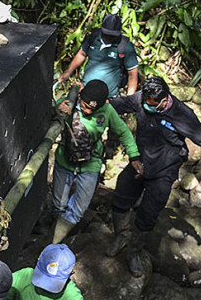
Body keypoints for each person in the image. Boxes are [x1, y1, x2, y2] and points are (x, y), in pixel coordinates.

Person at [107, 76, 201, 277]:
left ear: (164, 100)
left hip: (164, 171)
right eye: (145, 102)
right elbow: (117, 104)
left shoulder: (182, 114)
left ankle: (134, 252)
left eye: (152, 104)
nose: (147, 106)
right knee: (121, 196)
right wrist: (94, 99)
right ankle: (122, 236)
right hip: (140, 164)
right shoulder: (141, 100)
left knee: (148, 213)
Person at [50, 79, 142, 243]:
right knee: (59, 204)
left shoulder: (106, 111)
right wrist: (57, 110)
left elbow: (124, 132)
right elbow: (45, 115)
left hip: (90, 162)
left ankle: (55, 241)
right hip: (65, 160)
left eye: (92, 109)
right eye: (84, 105)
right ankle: (53, 229)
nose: (86, 110)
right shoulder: (69, 101)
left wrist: (134, 156)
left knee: (78, 209)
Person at [57, 13, 140, 96]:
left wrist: (129, 98)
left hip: (109, 97)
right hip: (85, 91)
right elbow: (82, 54)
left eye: (112, 36)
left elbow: (132, 73)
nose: (109, 37)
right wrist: (68, 73)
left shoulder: (124, 46)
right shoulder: (93, 37)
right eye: (106, 34)